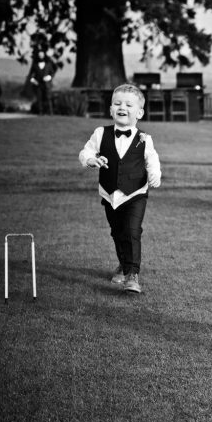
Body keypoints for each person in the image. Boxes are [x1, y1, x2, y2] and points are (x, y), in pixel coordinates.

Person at [78, 84, 162, 293]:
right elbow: (85, 151)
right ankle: (123, 264)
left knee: (132, 231)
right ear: (110, 109)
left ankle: (132, 274)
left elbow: (152, 159)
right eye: (117, 103)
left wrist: (155, 174)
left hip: (135, 193)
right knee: (117, 232)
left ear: (139, 113)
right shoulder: (101, 133)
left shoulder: (145, 138)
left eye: (128, 104)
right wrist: (91, 160)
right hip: (109, 193)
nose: (122, 107)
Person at [26, 49, 57, 115]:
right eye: (39, 55)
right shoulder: (35, 65)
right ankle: (40, 112)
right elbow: (31, 75)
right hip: (38, 84)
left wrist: (48, 77)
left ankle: (50, 112)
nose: (40, 56)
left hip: (47, 84)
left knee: (48, 98)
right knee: (39, 98)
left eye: (42, 54)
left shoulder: (48, 64)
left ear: (44, 55)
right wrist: (34, 81)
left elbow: (52, 73)